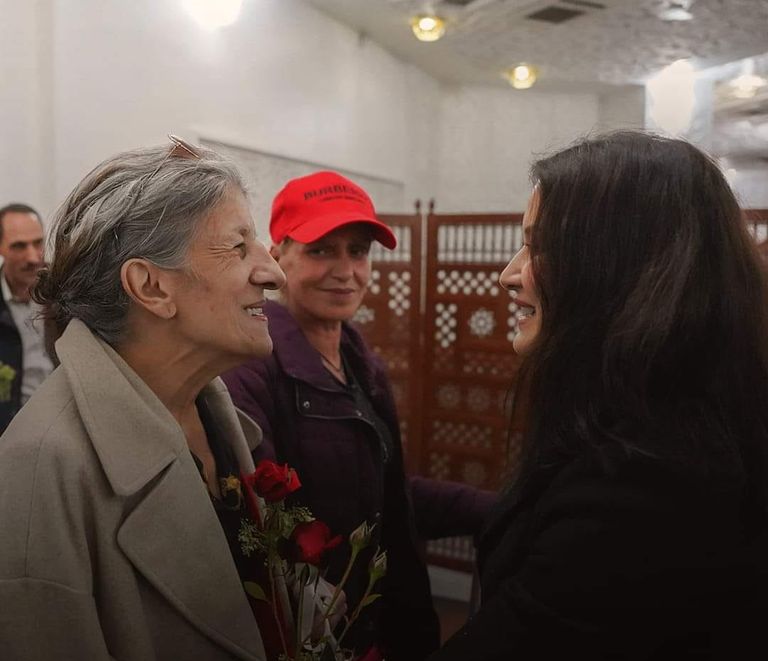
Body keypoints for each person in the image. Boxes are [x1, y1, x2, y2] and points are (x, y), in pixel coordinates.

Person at [429, 131, 768, 660]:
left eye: (539, 247)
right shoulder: (666, 424)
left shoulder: (646, 483)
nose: (508, 275)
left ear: (617, 265)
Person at [0, 136, 288, 660]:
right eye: (239, 247)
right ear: (151, 287)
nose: (273, 272)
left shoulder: (213, 414)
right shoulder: (42, 470)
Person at [222, 171, 496, 661]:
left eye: (359, 250)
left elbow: (384, 494)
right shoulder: (252, 371)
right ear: (277, 254)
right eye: (321, 250)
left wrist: (494, 508)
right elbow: (264, 533)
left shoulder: (359, 361)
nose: (346, 270)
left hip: (385, 624)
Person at [0, 203, 53, 432]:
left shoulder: (65, 290)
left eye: (38, 243)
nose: (32, 257)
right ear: (1, 247)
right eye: (19, 246)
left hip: (63, 425)